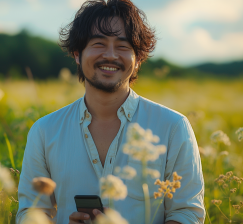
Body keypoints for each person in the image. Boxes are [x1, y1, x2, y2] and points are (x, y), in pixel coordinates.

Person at [16, 0, 205, 223]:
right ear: (77, 54)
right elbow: (31, 212)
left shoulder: (173, 127)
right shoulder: (45, 131)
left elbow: (187, 213)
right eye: (98, 44)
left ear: (138, 61)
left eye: (123, 46)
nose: (111, 55)